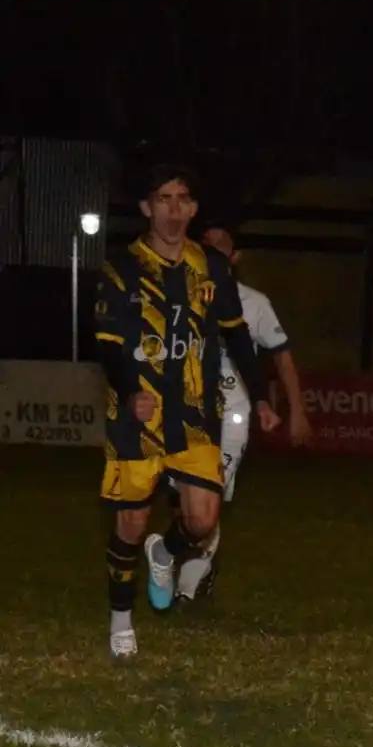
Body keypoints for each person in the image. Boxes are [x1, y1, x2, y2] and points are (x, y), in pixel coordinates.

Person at [97, 164, 280, 660]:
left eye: (182, 199)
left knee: (202, 520)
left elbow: (238, 334)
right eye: (163, 199)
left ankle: (167, 552)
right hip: (136, 419)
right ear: (146, 208)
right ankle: (120, 620)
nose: (173, 210)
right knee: (130, 523)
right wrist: (129, 389)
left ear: (194, 208)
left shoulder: (212, 268)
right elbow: (109, 346)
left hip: (196, 418)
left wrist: (261, 395)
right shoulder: (122, 268)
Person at [170, 223, 311, 602]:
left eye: (221, 245)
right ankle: (179, 555)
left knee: (210, 490)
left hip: (233, 413)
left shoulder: (254, 303)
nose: (211, 247)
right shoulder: (178, 295)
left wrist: (295, 409)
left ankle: (188, 585)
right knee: (185, 498)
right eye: (206, 243)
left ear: (235, 258)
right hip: (186, 411)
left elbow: (281, 355)